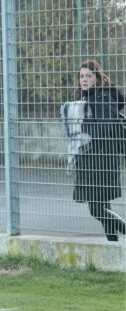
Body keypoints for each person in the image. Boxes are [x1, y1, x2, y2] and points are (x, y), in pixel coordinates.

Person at [71, 59, 126, 241]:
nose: (84, 79)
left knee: (97, 209)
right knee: (103, 207)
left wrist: (81, 125)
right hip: (92, 159)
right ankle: (113, 248)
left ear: (97, 78)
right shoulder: (87, 99)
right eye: (81, 76)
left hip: (103, 159)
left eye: (89, 76)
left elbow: (103, 128)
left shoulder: (103, 97)